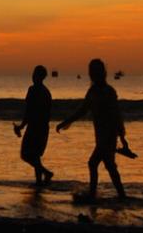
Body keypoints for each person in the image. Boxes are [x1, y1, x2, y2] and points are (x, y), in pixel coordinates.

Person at [56, 58, 134, 201]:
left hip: (108, 135)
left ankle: (96, 195)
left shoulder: (109, 91)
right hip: (102, 135)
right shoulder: (93, 91)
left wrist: (122, 137)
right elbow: (82, 110)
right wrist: (65, 122)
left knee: (96, 163)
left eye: (94, 71)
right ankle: (120, 195)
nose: (92, 74)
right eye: (91, 71)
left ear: (100, 73)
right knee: (108, 166)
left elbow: (116, 115)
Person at [12, 65, 54, 187]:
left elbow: (29, 110)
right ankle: (40, 180)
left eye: (35, 74)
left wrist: (21, 126)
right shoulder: (46, 92)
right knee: (34, 155)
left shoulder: (33, 90)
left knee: (26, 154)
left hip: (35, 127)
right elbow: (46, 113)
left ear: (38, 76)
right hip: (42, 127)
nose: (33, 76)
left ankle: (45, 174)